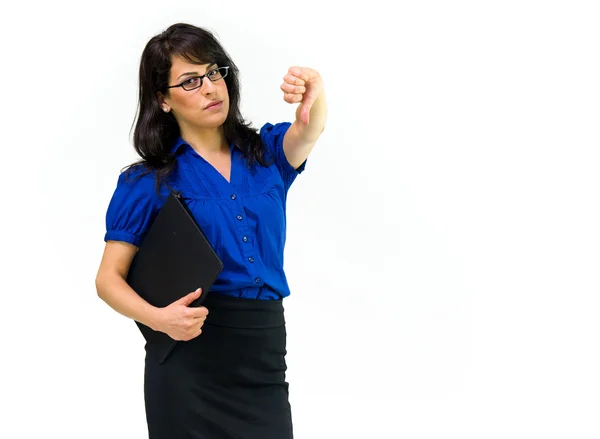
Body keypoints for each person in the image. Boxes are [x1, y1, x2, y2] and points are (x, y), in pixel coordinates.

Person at [95, 22, 326, 438]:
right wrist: (159, 319)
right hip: (189, 358)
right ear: (163, 100)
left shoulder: (266, 154)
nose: (210, 88)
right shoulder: (147, 182)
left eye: (214, 71)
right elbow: (108, 279)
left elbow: (308, 129)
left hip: (263, 353)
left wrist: (315, 91)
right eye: (190, 81)